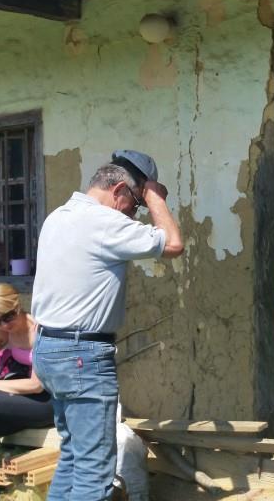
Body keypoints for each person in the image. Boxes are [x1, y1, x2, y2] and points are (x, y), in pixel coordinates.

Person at [31, 150, 183, 501]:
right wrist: (156, 197)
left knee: (73, 458)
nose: (135, 215)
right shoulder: (105, 222)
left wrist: (143, 195)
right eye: (136, 204)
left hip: (49, 349)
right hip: (81, 355)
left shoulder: (58, 216)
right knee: (94, 473)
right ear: (118, 191)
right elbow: (174, 243)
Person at [0, 284, 54, 437]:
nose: (4, 325)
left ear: (18, 306)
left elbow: (36, 385)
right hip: (22, 398)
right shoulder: (4, 330)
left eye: (8, 317)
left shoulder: (39, 331)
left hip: (49, 399)